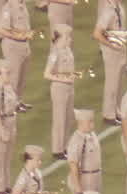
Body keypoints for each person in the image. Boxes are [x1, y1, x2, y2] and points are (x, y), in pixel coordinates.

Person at [92, 0, 127, 125]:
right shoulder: (107, 11)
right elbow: (97, 33)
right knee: (112, 83)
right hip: (111, 51)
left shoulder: (119, 7)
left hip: (121, 48)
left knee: (119, 82)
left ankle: (116, 110)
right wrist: (111, 44)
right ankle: (108, 114)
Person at [45, 29, 80, 158]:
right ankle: (57, 150)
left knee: (68, 117)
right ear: (59, 39)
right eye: (67, 37)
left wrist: (72, 75)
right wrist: (63, 79)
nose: (69, 39)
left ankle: (65, 146)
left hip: (69, 87)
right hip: (59, 88)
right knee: (60, 118)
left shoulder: (67, 50)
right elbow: (47, 74)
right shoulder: (55, 53)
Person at [68, 108, 103, 194]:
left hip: (96, 176)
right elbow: (73, 164)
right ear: (81, 123)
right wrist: (78, 186)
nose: (93, 124)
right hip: (86, 179)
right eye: (90, 122)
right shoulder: (76, 140)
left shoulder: (92, 134)